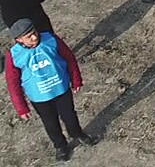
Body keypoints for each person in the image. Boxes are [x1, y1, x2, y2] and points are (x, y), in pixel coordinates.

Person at [5, 19, 97, 162]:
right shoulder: (14, 56)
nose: (34, 37)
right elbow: (13, 83)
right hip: (40, 97)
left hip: (61, 89)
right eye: (28, 37)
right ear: (19, 40)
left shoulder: (51, 40)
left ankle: (77, 134)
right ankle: (60, 146)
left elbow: (69, 58)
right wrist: (21, 107)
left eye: (34, 33)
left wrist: (76, 79)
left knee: (70, 116)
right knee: (50, 123)